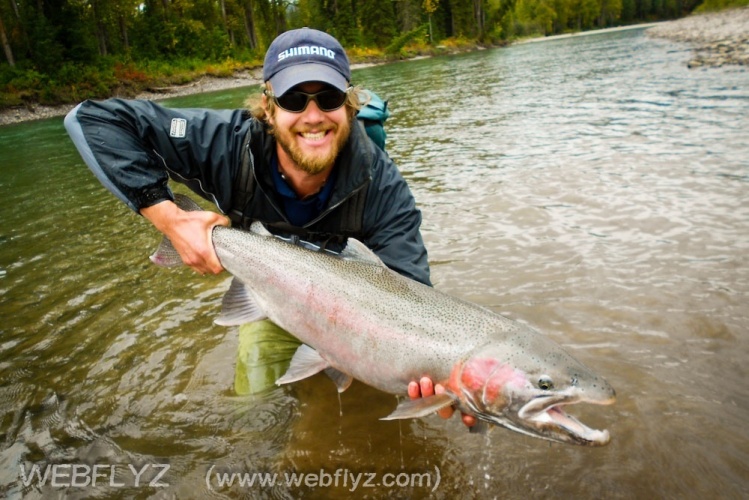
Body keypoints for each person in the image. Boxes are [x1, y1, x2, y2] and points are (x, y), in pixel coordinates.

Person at [65, 27, 474, 427]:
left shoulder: (381, 185)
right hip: (269, 301)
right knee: (253, 415)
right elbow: (91, 120)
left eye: (328, 98)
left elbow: (415, 301)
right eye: (294, 99)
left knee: (373, 419)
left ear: (348, 104)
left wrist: (447, 379)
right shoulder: (223, 143)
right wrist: (172, 220)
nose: (312, 117)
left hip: (354, 323)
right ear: (268, 105)